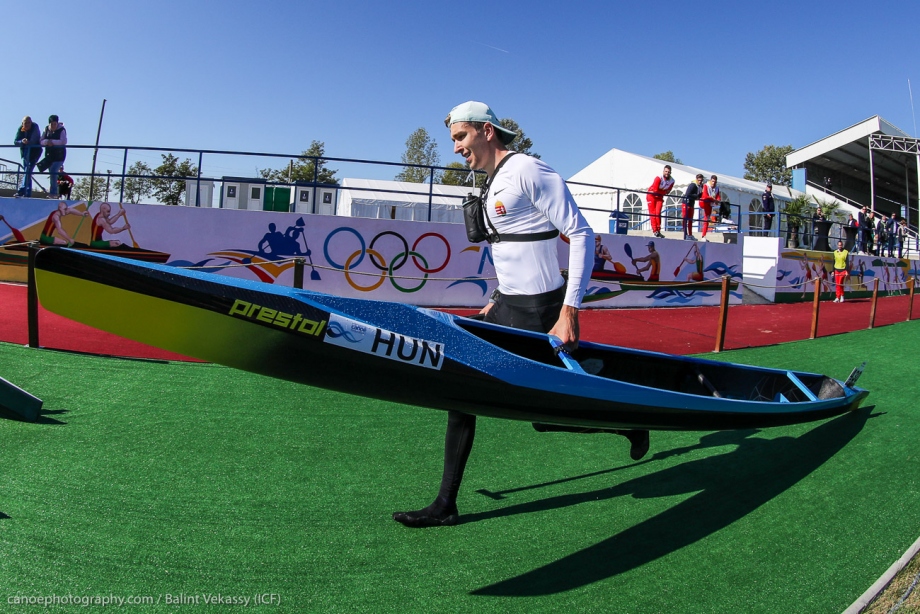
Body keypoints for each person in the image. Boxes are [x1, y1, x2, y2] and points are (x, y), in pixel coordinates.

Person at [392, 101, 645, 529]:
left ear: (487, 131)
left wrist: (570, 311)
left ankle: (626, 424)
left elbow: (581, 234)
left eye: (461, 137)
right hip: (508, 304)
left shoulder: (529, 170)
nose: (456, 148)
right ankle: (445, 505)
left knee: (541, 417)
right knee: (460, 394)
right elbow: (511, 247)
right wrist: (496, 295)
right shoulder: (494, 181)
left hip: (541, 308)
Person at [13, 116, 42, 197]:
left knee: (28, 169)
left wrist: (27, 142)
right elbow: (15, 141)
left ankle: (22, 190)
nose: (27, 124)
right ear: (22, 124)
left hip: (34, 152)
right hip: (25, 153)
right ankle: (28, 192)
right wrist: (22, 141)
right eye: (25, 123)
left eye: (29, 122)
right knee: (28, 171)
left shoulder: (35, 127)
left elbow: (34, 139)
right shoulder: (20, 129)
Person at [39, 115, 67, 197]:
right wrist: (47, 142)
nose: (53, 126)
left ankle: (54, 192)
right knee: (51, 172)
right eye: (52, 124)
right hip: (50, 156)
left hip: (59, 155)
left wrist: (52, 142)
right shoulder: (46, 129)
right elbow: (41, 140)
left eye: (55, 124)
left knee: (53, 171)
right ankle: (53, 191)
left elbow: (63, 141)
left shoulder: (62, 130)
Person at [646, 165, 674, 238]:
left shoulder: (672, 181)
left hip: (659, 197)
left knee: (658, 213)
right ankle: (655, 231)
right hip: (651, 195)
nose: (667, 173)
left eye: (668, 172)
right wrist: (662, 191)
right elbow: (655, 190)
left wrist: (661, 192)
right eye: (665, 171)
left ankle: (658, 230)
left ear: (670, 172)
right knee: (653, 214)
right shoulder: (658, 178)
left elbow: (668, 191)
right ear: (663, 171)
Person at [681, 174, 704, 241]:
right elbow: (688, 193)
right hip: (686, 203)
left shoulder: (700, 186)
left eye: (701, 180)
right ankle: (685, 235)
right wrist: (696, 196)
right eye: (699, 180)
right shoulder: (693, 185)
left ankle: (690, 235)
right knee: (685, 219)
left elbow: (700, 195)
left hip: (691, 203)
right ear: (696, 179)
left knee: (690, 220)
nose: (700, 181)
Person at [699, 175, 720, 241]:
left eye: (715, 182)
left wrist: (717, 200)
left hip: (709, 204)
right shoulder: (706, 185)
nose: (713, 183)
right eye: (712, 181)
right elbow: (705, 196)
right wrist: (713, 199)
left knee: (707, 219)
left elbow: (718, 196)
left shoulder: (717, 188)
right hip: (703, 202)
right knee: (705, 219)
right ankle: (703, 235)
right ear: (710, 180)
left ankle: (704, 235)